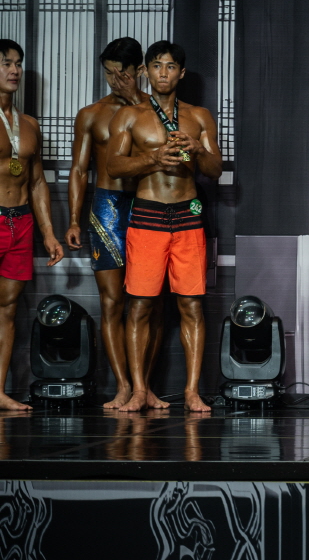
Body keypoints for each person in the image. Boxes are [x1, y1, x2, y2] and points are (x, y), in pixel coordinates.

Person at [106, 41, 221, 414]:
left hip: (187, 218)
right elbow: (113, 167)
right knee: (140, 305)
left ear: (181, 73)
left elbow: (215, 170)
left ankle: (191, 392)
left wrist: (198, 150)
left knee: (191, 305)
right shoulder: (129, 116)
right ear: (145, 71)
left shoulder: (199, 116)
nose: (163, 73)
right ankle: (140, 391)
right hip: (148, 217)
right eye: (156, 66)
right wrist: (153, 158)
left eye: (171, 66)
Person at [64, 37, 161, 409]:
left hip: (149, 203)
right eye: (109, 73)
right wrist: (73, 220)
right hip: (107, 208)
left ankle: (144, 387)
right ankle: (123, 386)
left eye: (122, 73)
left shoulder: (156, 110)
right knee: (112, 301)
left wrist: (137, 100)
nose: (115, 80)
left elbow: (170, 150)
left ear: (139, 71)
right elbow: (79, 170)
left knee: (149, 303)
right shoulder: (92, 114)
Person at [0, 40, 65, 411]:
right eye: (6, 63)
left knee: (7, 309)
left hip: (20, 221)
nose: (14, 70)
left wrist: (49, 234)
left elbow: (38, 181)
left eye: (18, 63)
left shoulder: (29, 125)